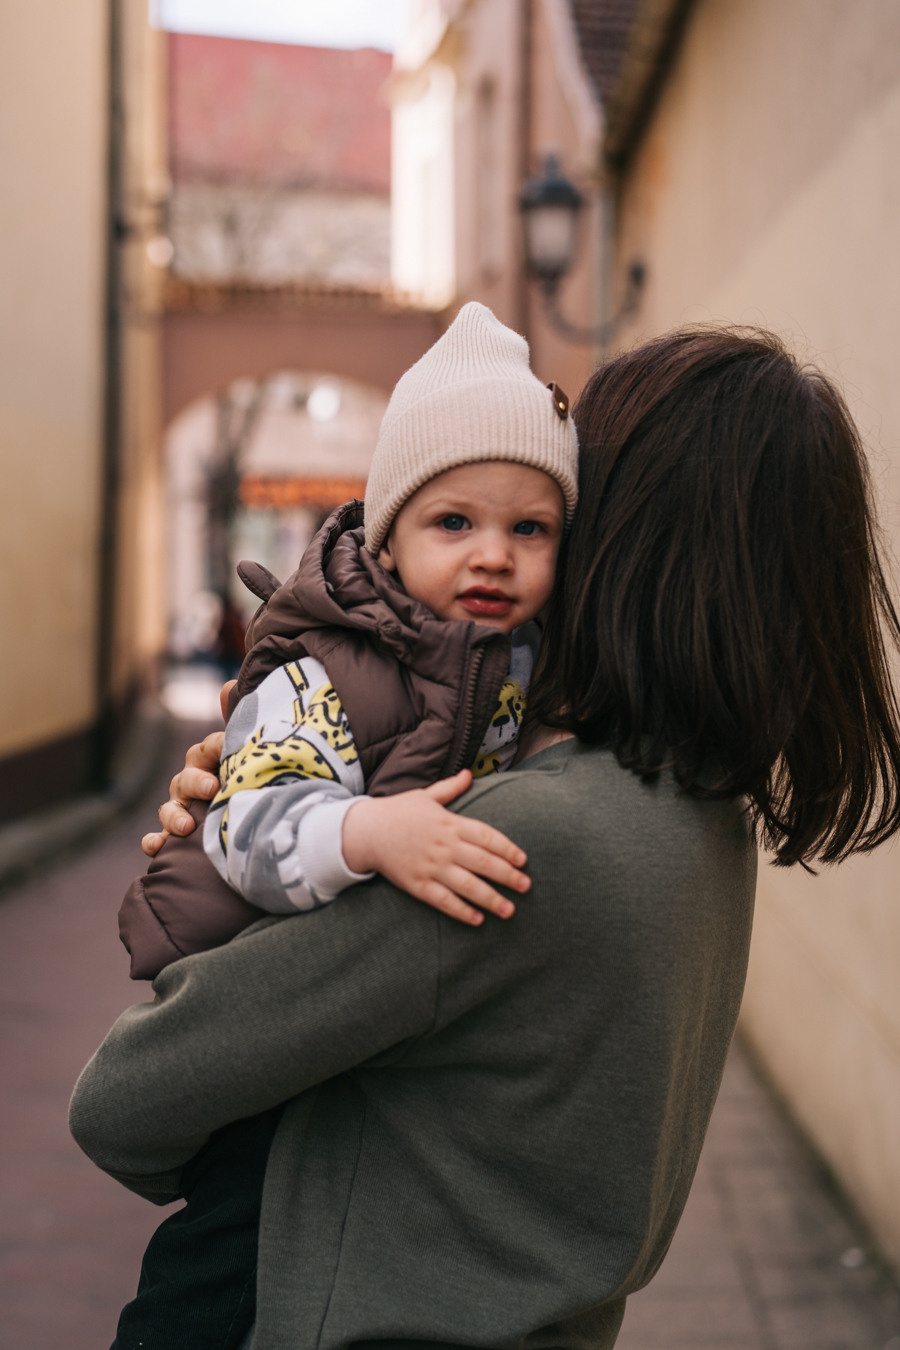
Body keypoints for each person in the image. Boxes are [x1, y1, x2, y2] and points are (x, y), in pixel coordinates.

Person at [71, 327, 900, 1350]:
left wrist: (257, 886)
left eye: (549, 518)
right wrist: (280, 806)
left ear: (619, 546)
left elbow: (129, 1095)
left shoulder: (516, 843)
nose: (499, 554)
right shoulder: (701, 818)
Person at [110, 300, 579, 1348]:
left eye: (530, 528)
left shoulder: (521, 664)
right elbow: (249, 824)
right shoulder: (325, 669)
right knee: (222, 1262)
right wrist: (370, 833)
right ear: (390, 536)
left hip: (358, 1026)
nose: (494, 555)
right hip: (255, 1002)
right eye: (454, 522)